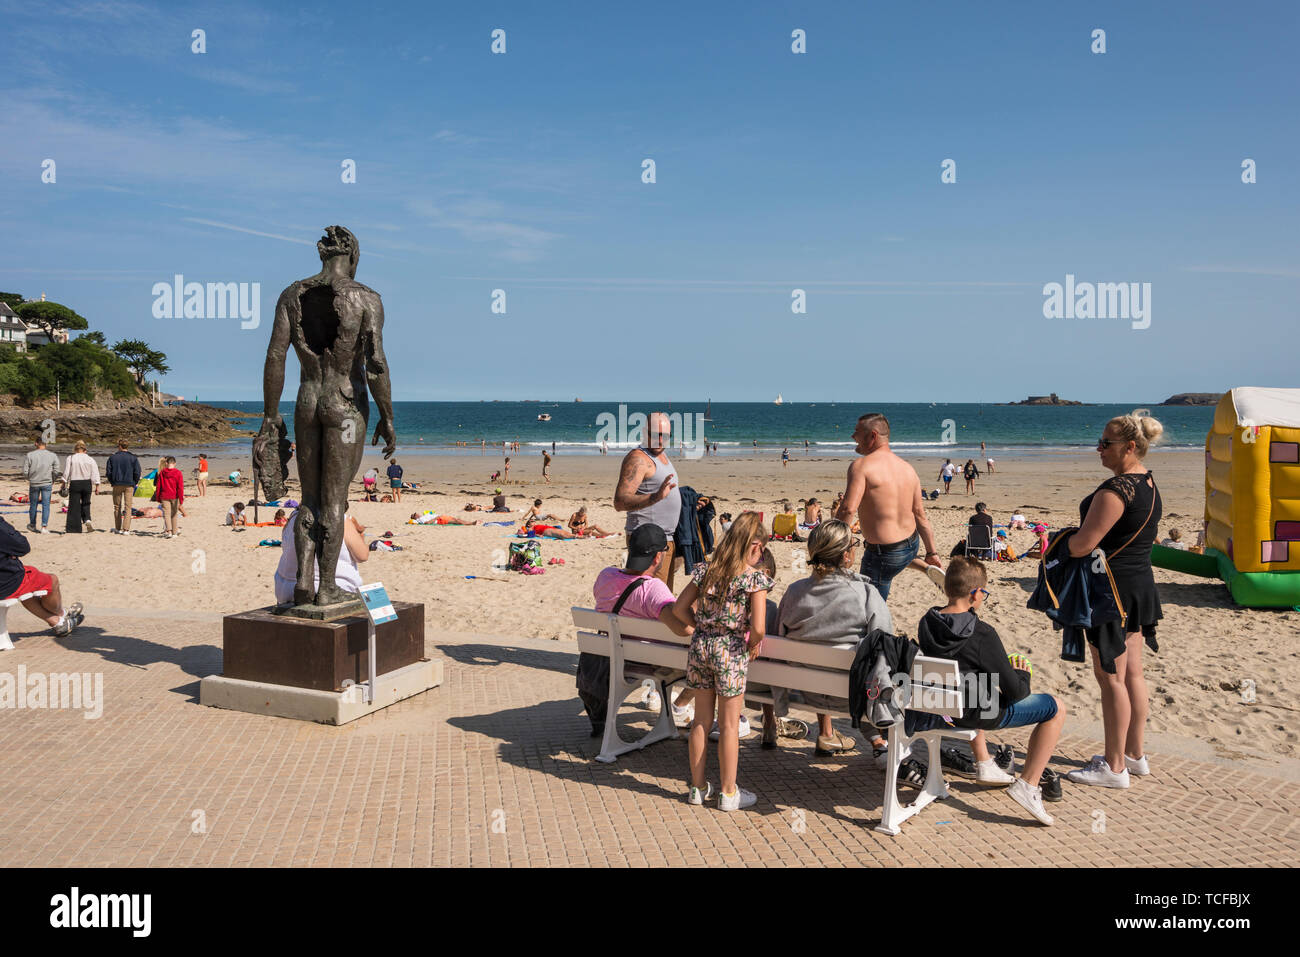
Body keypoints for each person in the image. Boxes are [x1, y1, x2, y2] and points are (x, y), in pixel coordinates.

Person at [916, 557, 1065, 825]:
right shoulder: (982, 634)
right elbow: (1016, 692)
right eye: (983, 592)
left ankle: (984, 762)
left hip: (941, 707)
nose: (983, 597)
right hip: (977, 713)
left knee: (971, 679)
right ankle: (1028, 785)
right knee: (1056, 707)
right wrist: (1022, 673)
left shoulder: (928, 621)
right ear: (974, 593)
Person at [1065, 412, 1164, 789]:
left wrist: (1062, 542)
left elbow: (1083, 545)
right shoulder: (1149, 484)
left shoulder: (1115, 491)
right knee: (1133, 674)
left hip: (1111, 592)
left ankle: (1114, 766)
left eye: (1106, 443)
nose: (1099, 448)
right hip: (1139, 585)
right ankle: (1135, 755)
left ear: (1130, 447)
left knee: (1111, 679)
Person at [670, 512, 772, 811]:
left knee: (701, 720)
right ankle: (728, 792)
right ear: (754, 545)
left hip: (701, 646)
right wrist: (752, 643)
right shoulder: (754, 579)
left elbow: (678, 608)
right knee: (728, 725)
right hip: (731, 649)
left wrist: (702, 627)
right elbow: (761, 627)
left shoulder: (707, 571)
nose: (762, 553)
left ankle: (697, 788)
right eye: (762, 548)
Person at [763, 521, 892, 754]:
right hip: (853, 697)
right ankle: (880, 744)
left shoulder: (794, 592)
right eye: (854, 544)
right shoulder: (864, 594)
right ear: (846, 556)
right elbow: (886, 648)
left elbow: (777, 638)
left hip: (807, 690)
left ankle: (837, 733)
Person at [833, 413, 941, 601]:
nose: (852, 436)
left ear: (872, 436)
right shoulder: (908, 468)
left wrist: (833, 544)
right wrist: (932, 552)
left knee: (871, 606)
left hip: (883, 555)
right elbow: (920, 515)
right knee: (899, 558)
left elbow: (847, 510)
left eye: (857, 432)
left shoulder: (861, 466)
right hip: (911, 545)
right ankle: (924, 566)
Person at [614, 411, 681, 588]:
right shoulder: (638, 458)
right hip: (647, 543)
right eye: (655, 435)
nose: (660, 440)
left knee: (662, 599)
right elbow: (620, 502)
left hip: (665, 539)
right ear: (645, 433)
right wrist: (655, 497)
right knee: (650, 603)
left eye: (665, 436)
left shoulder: (662, 456)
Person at [0, 516, 84, 637]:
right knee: (52, 581)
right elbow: (23, 546)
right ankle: (61, 616)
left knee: (28, 592)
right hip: (7, 581)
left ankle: (59, 621)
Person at [274, 509, 368, 605]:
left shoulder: (293, 517)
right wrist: (361, 536)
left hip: (285, 589)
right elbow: (362, 556)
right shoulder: (341, 519)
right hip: (330, 588)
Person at [22, 437, 61, 534]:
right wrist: (53, 479)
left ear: (36, 443)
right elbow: (57, 470)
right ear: (45, 444)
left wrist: (28, 478)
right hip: (47, 482)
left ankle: (32, 524)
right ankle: (44, 526)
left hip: (34, 483)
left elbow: (25, 471)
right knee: (46, 505)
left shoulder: (30, 455)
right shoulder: (52, 455)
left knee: (33, 505)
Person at [61, 440, 101, 534]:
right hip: (87, 483)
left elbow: (66, 472)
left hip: (75, 483)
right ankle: (87, 520)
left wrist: (63, 483)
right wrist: (97, 486)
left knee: (74, 505)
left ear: (75, 449)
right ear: (85, 449)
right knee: (86, 503)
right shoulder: (90, 459)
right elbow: (95, 473)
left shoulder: (71, 458)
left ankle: (74, 528)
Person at [106, 438, 142, 535]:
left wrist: (112, 481)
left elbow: (108, 472)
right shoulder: (133, 458)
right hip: (129, 484)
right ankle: (126, 529)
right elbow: (137, 472)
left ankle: (118, 528)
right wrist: (135, 482)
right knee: (128, 507)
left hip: (117, 483)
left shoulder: (112, 458)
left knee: (117, 507)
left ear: (119, 446)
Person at [156, 457, 187, 538]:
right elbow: (180, 487)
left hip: (165, 496)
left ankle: (169, 531)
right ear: (174, 463)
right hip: (174, 496)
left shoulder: (162, 472)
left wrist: (158, 497)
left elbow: (159, 486)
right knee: (174, 515)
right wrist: (181, 499)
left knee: (167, 514)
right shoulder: (178, 473)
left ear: (166, 463)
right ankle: (174, 532)